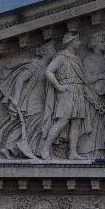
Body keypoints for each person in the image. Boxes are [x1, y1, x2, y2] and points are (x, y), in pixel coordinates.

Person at [0, 42, 56, 159]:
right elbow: (20, 79)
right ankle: (23, 147)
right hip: (31, 102)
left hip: (41, 100)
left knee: (32, 125)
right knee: (35, 123)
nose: (54, 51)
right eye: (52, 49)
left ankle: (12, 145)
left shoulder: (48, 68)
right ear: (45, 52)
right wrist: (16, 97)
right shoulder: (35, 65)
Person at [39, 32, 92, 160]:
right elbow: (49, 71)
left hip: (78, 91)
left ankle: (72, 152)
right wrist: (59, 86)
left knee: (76, 123)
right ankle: (45, 149)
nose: (79, 42)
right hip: (67, 91)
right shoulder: (62, 57)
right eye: (77, 40)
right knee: (63, 121)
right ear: (70, 42)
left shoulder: (76, 57)